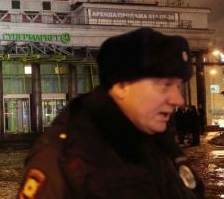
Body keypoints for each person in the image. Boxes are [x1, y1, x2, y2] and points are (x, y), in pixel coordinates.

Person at [18, 28, 204, 199]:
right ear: (121, 86)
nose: (178, 99)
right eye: (165, 86)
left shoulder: (158, 140)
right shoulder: (62, 158)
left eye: (178, 86)